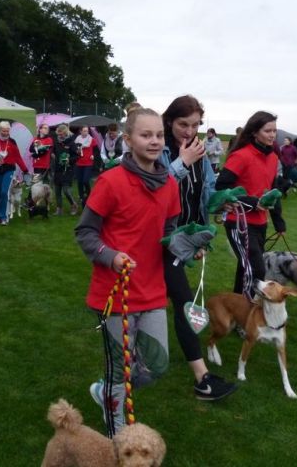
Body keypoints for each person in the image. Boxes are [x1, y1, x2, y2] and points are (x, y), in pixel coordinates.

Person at [74, 107, 180, 434]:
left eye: (159, 135)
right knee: (119, 370)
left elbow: (169, 234)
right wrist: (110, 256)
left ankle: (104, 390)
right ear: (128, 139)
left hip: (153, 291)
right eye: (146, 135)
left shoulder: (170, 184)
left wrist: (187, 245)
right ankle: (116, 428)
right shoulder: (111, 181)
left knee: (157, 365)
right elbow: (85, 232)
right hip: (114, 292)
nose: (154, 141)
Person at [159, 95, 237, 401]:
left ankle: (140, 357)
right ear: (169, 121)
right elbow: (153, 188)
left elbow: (205, 195)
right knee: (182, 301)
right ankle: (202, 379)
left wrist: (221, 203)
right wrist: (183, 162)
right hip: (159, 239)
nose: (190, 131)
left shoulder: (200, 154)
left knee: (169, 301)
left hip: (184, 240)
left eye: (195, 125)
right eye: (183, 124)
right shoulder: (159, 148)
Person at [216, 111, 286, 297]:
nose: (272, 135)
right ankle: (248, 310)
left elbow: (274, 191)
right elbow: (221, 186)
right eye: (267, 131)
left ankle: (237, 305)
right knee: (256, 269)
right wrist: (253, 202)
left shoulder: (273, 158)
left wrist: (279, 222)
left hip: (260, 223)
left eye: (274, 131)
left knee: (245, 267)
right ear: (255, 132)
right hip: (238, 222)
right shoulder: (241, 156)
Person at [0, 121, 28, 225]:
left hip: (9, 170)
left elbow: (18, 157)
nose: (6, 133)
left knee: (4, 192)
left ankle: (3, 217)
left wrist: (25, 170)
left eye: (7, 131)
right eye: (3, 131)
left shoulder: (12, 142)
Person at [51, 124, 78, 216]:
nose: (60, 136)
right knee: (57, 190)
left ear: (65, 133)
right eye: (58, 134)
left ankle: (73, 204)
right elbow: (53, 151)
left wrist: (69, 160)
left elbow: (77, 156)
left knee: (66, 190)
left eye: (61, 134)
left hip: (68, 169)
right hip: (58, 168)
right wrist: (52, 154)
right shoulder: (56, 142)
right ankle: (59, 209)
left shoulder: (71, 143)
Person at [73, 125, 99, 210]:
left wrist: (93, 155)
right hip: (79, 163)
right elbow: (74, 149)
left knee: (85, 180)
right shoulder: (77, 139)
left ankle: (89, 194)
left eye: (87, 131)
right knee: (79, 181)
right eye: (84, 131)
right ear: (80, 131)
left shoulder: (91, 139)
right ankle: (81, 197)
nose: (86, 132)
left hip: (88, 163)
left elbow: (96, 150)